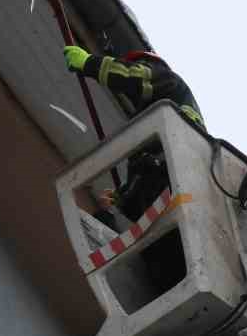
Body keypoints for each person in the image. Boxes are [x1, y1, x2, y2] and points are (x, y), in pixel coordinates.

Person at [62, 45, 204, 222]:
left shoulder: (168, 79)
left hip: (177, 174)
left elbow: (134, 76)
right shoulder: (151, 123)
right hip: (177, 204)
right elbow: (145, 173)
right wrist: (123, 198)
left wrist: (89, 63)